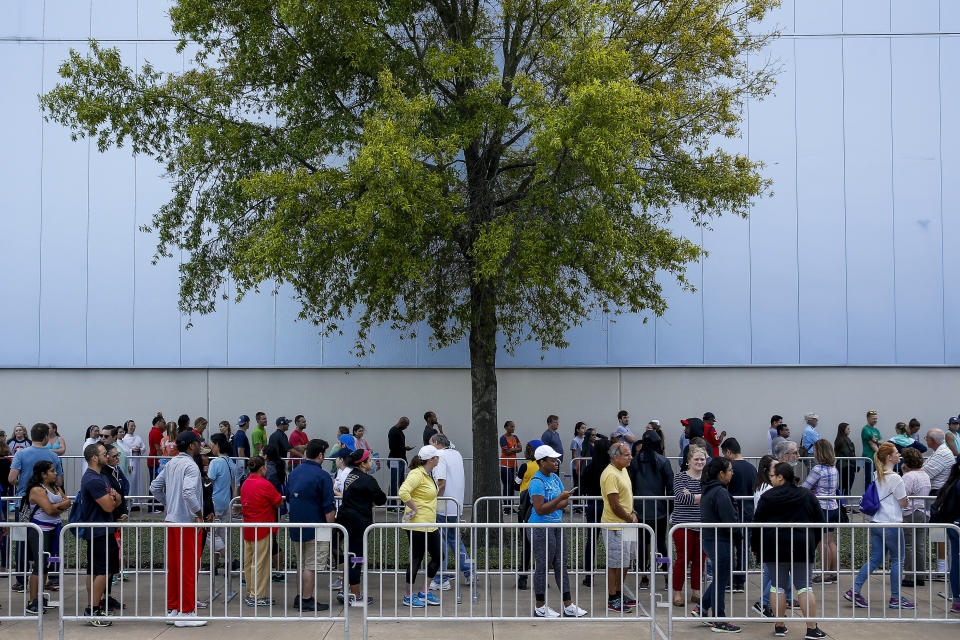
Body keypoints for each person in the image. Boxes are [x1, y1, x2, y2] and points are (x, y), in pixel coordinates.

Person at [752, 462, 826, 640]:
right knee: (804, 587)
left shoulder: (768, 497)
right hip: (801, 546)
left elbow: (757, 525)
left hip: (774, 547)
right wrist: (813, 542)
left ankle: (779, 625)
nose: (770, 479)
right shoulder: (807, 495)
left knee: (777, 586)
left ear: (780, 477)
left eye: (772, 476)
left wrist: (756, 547)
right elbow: (819, 522)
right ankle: (811, 628)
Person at [845, 443, 914, 610]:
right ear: (889, 457)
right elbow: (903, 502)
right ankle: (896, 598)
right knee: (898, 559)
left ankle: (854, 590)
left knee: (875, 559)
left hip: (876, 522)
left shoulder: (877, 475)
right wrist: (906, 501)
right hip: (892, 523)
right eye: (897, 453)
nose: (899, 455)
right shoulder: (896, 478)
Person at [150, 431, 207, 627]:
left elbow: (154, 487)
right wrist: (198, 514)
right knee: (189, 567)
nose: (200, 446)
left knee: (174, 567)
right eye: (198, 443)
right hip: (186, 522)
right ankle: (187, 612)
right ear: (191, 446)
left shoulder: (171, 462)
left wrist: (169, 504)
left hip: (171, 520)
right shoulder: (190, 465)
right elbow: (189, 492)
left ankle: (173, 608)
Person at [526, 444, 586, 618]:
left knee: (561, 564)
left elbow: (564, 503)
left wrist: (556, 503)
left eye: (556, 459)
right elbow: (539, 509)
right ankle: (540, 607)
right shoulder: (537, 482)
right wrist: (559, 499)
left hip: (557, 526)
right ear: (542, 462)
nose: (556, 462)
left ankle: (568, 605)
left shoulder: (554, 478)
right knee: (543, 566)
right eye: (552, 460)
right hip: (540, 528)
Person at [286, 439, 334, 612]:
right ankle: (307, 600)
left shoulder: (294, 472)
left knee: (301, 563)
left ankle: (300, 597)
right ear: (321, 455)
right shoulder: (323, 476)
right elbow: (328, 507)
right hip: (317, 526)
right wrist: (331, 528)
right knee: (312, 565)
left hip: (296, 524)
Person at [78, 443, 123, 626]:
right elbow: (109, 505)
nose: (108, 456)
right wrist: (117, 498)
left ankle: (93, 606)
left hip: (99, 530)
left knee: (96, 571)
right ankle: (94, 609)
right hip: (100, 531)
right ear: (94, 458)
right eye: (104, 454)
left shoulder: (97, 477)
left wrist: (114, 498)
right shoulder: (94, 479)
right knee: (103, 571)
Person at [695, 456, 740, 633]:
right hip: (719, 540)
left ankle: (703, 608)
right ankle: (719, 619)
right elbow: (729, 519)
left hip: (711, 539)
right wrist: (737, 534)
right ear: (721, 474)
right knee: (721, 581)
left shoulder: (709, 490)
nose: (732, 473)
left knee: (720, 579)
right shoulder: (719, 492)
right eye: (730, 471)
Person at [336, 447, 386, 606]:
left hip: (345, 519)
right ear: (363, 464)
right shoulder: (367, 480)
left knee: (350, 555)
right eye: (370, 460)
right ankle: (355, 595)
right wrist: (370, 501)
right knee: (356, 558)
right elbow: (381, 498)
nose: (372, 462)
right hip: (359, 523)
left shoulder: (350, 476)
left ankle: (346, 591)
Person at [21, 460, 71, 614]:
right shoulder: (37, 490)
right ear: (43, 474)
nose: (55, 473)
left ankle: (41, 597)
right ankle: (33, 601)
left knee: (45, 565)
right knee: (39, 565)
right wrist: (57, 508)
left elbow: (68, 502)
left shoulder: (55, 487)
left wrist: (55, 507)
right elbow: (49, 510)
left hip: (53, 529)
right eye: (52, 471)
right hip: (39, 531)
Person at [399, 445, 443, 607]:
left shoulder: (427, 474)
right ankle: (408, 596)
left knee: (439, 556)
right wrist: (415, 508)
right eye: (437, 457)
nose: (439, 459)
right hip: (417, 524)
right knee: (417, 558)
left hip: (430, 524)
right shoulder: (416, 474)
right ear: (431, 459)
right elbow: (403, 492)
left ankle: (424, 592)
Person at [430, 434, 473, 593]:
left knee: (440, 543)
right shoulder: (456, 454)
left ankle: (441, 578)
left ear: (436, 443)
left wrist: (433, 502)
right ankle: (470, 571)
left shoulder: (439, 456)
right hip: (456, 504)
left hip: (443, 506)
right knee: (455, 540)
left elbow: (441, 483)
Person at [629, 430, 673, 590]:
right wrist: (670, 509)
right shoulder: (663, 461)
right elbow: (671, 486)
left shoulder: (634, 462)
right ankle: (667, 578)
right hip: (659, 510)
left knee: (642, 544)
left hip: (639, 510)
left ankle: (644, 578)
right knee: (661, 545)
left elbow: (630, 486)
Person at [240, 455, 283, 608]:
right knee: (261, 564)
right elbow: (278, 501)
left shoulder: (245, 483)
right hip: (262, 528)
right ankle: (257, 596)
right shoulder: (264, 484)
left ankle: (252, 593)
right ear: (261, 468)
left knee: (249, 562)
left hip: (248, 528)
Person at [602, 441, 638, 614]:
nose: (630, 457)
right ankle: (612, 597)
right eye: (626, 455)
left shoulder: (623, 470)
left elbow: (626, 498)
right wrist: (629, 518)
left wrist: (633, 512)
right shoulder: (610, 474)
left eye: (630, 454)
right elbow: (615, 505)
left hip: (627, 524)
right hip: (614, 525)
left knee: (626, 562)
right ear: (615, 457)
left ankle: (618, 592)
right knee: (615, 563)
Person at [721, 438, 757, 593]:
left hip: (732, 512)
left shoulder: (729, 468)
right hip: (748, 511)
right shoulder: (751, 468)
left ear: (729, 452)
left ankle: (729, 580)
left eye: (724, 453)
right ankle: (740, 581)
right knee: (743, 548)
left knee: (728, 547)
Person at [672, 445, 706, 607]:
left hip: (702, 525)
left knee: (700, 560)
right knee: (682, 560)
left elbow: (712, 496)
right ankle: (677, 593)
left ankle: (696, 592)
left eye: (702, 459)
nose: (700, 462)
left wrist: (693, 496)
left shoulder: (708, 478)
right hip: (682, 525)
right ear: (689, 461)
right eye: (696, 459)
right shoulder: (680, 477)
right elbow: (681, 498)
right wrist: (701, 496)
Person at [803, 439, 839, 584]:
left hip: (821, 508)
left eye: (816, 450)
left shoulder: (818, 469)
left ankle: (824, 574)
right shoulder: (833, 469)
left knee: (821, 542)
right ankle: (833, 572)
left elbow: (805, 486)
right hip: (833, 507)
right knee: (830, 541)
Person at [928, 461, 960, 613]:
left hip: (953, 526)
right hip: (956, 526)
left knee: (956, 563)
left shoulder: (952, 482)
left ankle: (956, 601)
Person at [578, 435, 610, 587]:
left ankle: (588, 576)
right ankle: (613, 574)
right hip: (609, 507)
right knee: (611, 541)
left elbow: (582, 488)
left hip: (592, 506)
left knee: (591, 540)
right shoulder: (610, 469)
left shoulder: (590, 467)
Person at [751, 455, 778, 618]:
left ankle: (765, 603)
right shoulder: (768, 489)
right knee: (780, 572)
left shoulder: (762, 486)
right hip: (770, 532)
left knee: (770, 571)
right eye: (775, 467)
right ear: (767, 470)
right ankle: (763, 602)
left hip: (766, 532)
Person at [900, 447, 931, 588]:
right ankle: (920, 575)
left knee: (908, 545)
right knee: (920, 545)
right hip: (924, 511)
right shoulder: (925, 475)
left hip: (909, 512)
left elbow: (902, 494)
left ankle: (909, 576)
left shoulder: (908, 476)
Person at [207, 433, 235, 560]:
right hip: (227, 502)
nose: (211, 447)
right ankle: (216, 566)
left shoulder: (215, 463)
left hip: (215, 502)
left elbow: (209, 482)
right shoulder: (231, 462)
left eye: (212, 444)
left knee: (210, 534)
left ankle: (229, 559)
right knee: (220, 535)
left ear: (217, 445)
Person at [387, 417, 413, 507]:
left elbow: (398, 445)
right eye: (406, 425)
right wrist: (404, 448)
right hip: (395, 460)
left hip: (400, 460)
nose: (406, 428)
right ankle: (391, 506)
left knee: (402, 483)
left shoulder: (399, 431)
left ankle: (402, 505)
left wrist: (404, 448)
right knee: (394, 483)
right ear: (401, 422)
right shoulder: (393, 431)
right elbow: (392, 447)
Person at [122, 419, 145, 506]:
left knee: (137, 481)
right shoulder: (124, 439)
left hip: (137, 462)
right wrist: (132, 450)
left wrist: (139, 449)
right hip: (129, 463)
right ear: (127, 427)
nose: (133, 427)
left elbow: (144, 447)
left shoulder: (138, 437)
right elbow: (124, 450)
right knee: (130, 481)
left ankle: (137, 503)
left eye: (134, 426)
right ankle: (129, 502)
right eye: (131, 426)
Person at [834, 422, 857, 500]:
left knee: (842, 486)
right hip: (847, 466)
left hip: (841, 465)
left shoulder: (838, 439)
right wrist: (855, 464)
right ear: (843, 430)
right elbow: (849, 453)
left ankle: (842, 506)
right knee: (847, 487)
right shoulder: (844, 440)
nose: (850, 430)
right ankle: (846, 507)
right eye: (848, 429)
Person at [860, 410, 882, 492]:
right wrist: (881, 455)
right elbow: (872, 444)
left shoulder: (876, 430)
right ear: (868, 418)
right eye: (873, 418)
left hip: (876, 459)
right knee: (869, 481)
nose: (875, 420)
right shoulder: (866, 430)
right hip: (869, 459)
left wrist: (876, 441)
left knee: (876, 481)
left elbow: (882, 441)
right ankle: (868, 500)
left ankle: (874, 499)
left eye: (876, 418)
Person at [499, 420, 522, 497]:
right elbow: (506, 452)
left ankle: (511, 506)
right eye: (511, 426)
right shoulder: (503, 438)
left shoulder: (515, 437)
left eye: (514, 426)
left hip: (514, 465)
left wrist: (511, 449)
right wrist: (515, 449)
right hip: (506, 465)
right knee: (507, 485)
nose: (513, 428)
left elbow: (520, 449)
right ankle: (507, 507)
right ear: (506, 427)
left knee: (512, 485)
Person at [148, 413, 166, 483]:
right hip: (155, 462)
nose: (165, 425)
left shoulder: (154, 431)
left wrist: (161, 418)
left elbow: (166, 428)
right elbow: (158, 449)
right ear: (158, 423)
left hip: (153, 461)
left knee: (153, 482)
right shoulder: (156, 432)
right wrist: (161, 462)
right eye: (163, 423)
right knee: (155, 483)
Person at [570, 422, 586, 495]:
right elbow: (574, 454)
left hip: (584, 465)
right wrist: (577, 467)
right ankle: (576, 503)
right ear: (577, 430)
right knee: (577, 485)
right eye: (582, 428)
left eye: (585, 428)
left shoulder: (585, 439)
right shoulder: (575, 440)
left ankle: (583, 503)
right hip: (577, 466)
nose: (584, 430)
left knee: (584, 485)